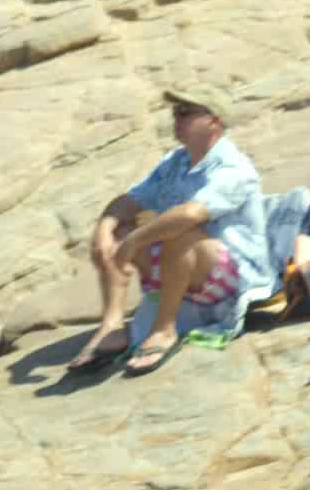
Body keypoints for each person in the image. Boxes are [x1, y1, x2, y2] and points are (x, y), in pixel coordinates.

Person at [66, 86, 267, 376]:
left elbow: (190, 215)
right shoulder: (177, 161)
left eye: (185, 112)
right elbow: (131, 199)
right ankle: (112, 325)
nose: (176, 119)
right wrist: (105, 230)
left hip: (231, 280)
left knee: (181, 232)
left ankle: (164, 329)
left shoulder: (233, 168)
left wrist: (134, 241)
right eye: (175, 112)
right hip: (182, 270)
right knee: (119, 228)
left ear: (214, 120)